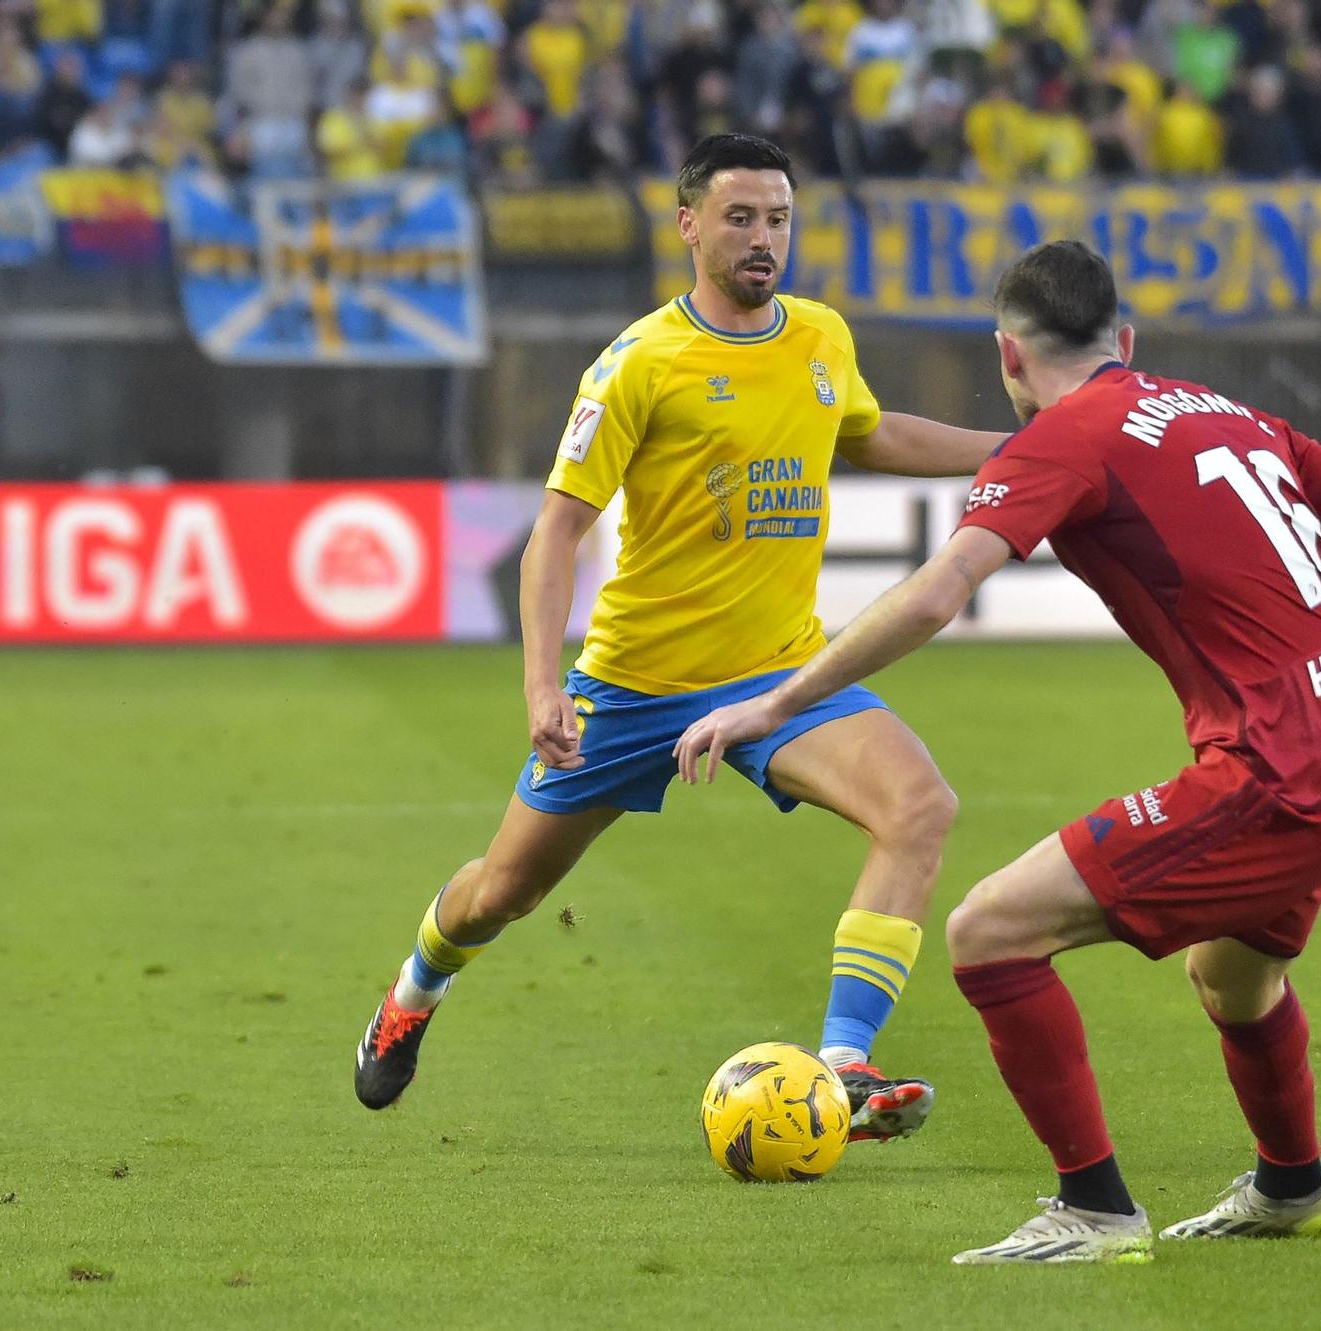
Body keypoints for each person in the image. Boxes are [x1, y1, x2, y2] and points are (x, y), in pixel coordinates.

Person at [675, 240, 1321, 1265]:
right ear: (1124, 338)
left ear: (1006, 358)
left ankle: (1094, 1207)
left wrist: (775, 703)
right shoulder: (1218, 410)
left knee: (988, 930)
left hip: (1273, 774)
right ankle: (1291, 1187)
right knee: (1234, 978)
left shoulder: (1062, 439)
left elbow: (936, 592)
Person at [352, 134, 1006, 1143]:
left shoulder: (820, 334)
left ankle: (840, 1066)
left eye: (778, 218)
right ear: (688, 224)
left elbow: (867, 433)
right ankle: (412, 990)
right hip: (634, 685)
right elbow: (555, 529)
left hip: (784, 671)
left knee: (919, 806)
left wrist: (1019, 453)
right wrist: (541, 687)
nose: (762, 238)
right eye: (739, 217)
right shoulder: (636, 365)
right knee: (503, 893)